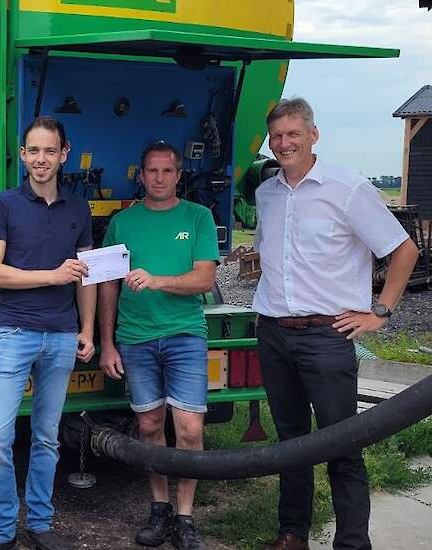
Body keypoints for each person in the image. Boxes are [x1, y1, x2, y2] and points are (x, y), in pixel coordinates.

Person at [254, 98, 419, 550]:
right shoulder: (266, 193)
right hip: (272, 331)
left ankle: (352, 544)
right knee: (290, 443)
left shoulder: (346, 188)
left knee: (342, 445)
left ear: (313, 135)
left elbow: (404, 250)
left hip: (327, 337)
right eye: (277, 136)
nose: (284, 143)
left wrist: (380, 312)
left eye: (293, 134)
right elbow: (271, 252)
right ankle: (292, 535)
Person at [0, 116, 96, 550]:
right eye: (34, 150)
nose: (41, 159)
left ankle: (40, 524)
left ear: (64, 154)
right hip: (15, 333)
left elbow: (85, 277)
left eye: (50, 151)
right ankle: (3, 531)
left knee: (47, 437)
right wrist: (51, 275)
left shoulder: (79, 209)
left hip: (62, 336)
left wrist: (87, 329)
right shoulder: (4, 204)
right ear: (23, 154)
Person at [98, 142, 219, 550]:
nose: (160, 178)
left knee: (189, 429)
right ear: (142, 175)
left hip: (184, 335)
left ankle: (186, 518)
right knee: (150, 426)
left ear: (179, 175)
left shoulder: (198, 217)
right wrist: (106, 343)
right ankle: (159, 508)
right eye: (152, 171)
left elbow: (204, 280)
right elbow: (108, 286)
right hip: (135, 339)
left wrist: (157, 280)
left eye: (167, 171)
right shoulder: (122, 223)